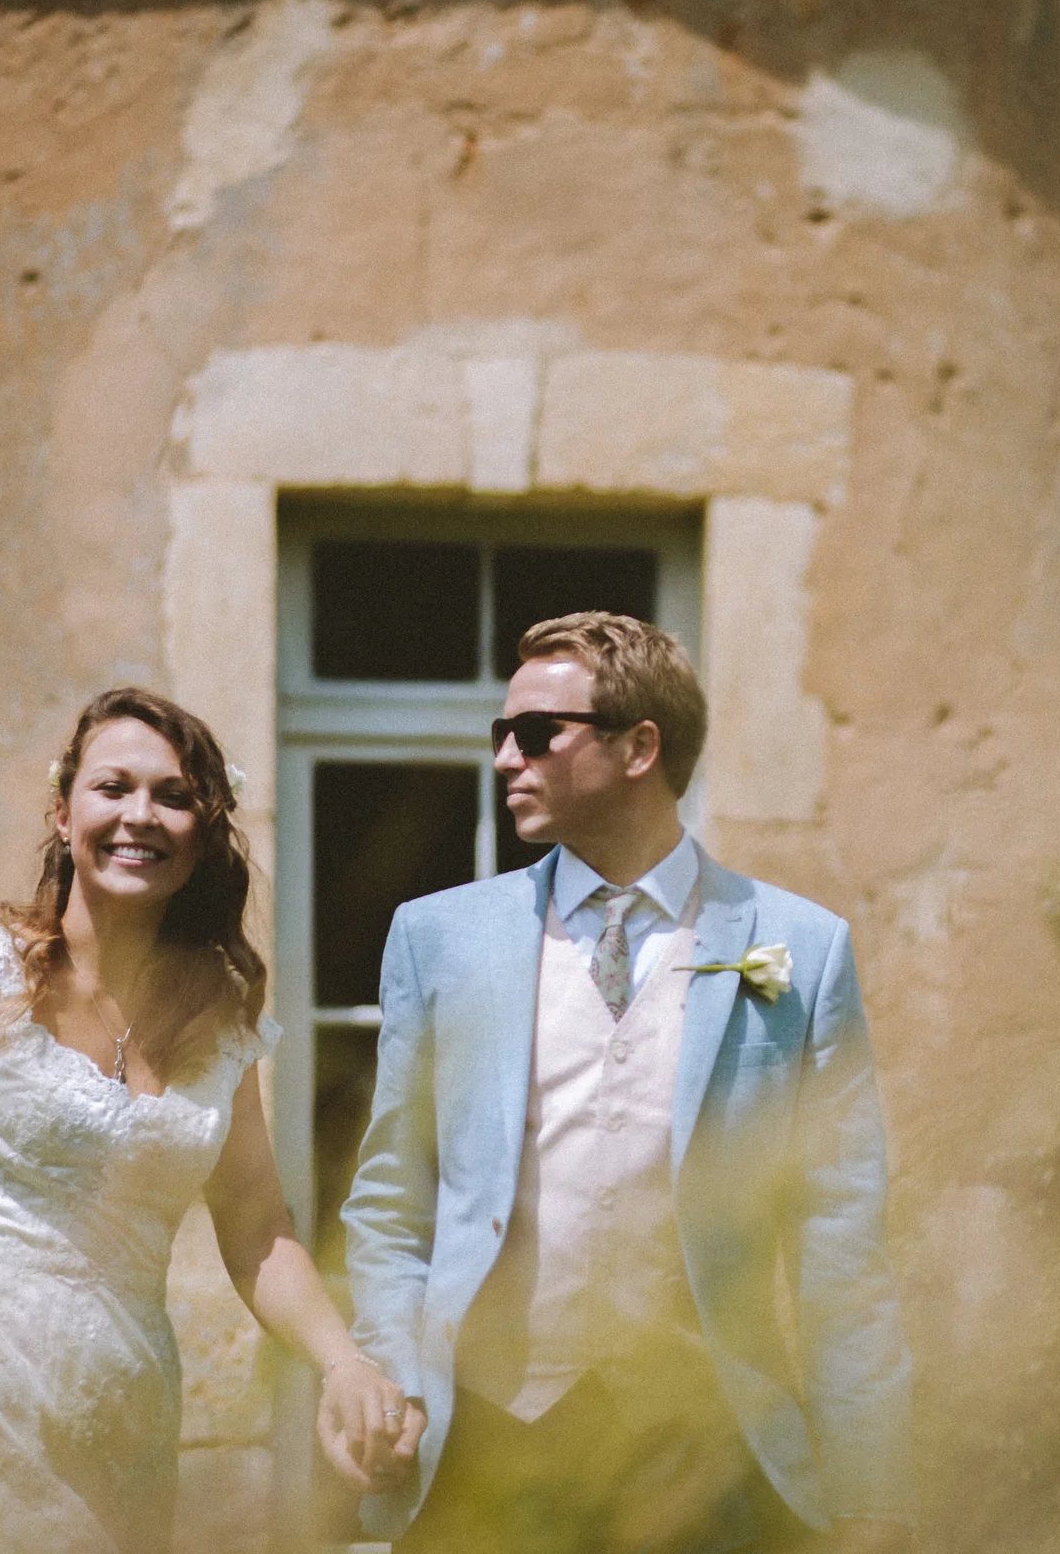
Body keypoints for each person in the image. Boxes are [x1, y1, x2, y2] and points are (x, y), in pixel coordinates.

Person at [0, 688, 413, 1554]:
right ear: (63, 810)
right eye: (113, 788)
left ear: (204, 829)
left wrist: (343, 1363)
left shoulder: (219, 1021)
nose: (140, 816)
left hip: (133, 1421)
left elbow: (258, 1229)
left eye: (174, 795)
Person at [342, 613, 915, 1553]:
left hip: (708, 1460)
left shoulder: (802, 950)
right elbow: (391, 1205)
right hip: (487, 1444)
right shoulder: (440, 937)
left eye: (535, 734)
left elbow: (841, 1251)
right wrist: (399, 1378)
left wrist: (874, 1501)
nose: (505, 761)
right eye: (500, 734)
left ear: (640, 745)